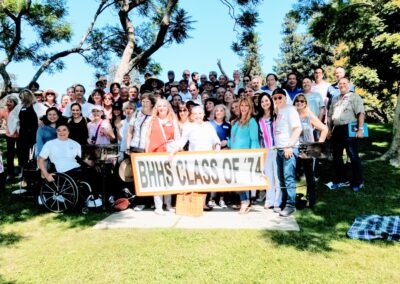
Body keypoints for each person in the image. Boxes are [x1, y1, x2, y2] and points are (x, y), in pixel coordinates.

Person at [175, 106, 221, 211]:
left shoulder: (209, 125)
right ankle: (195, 204)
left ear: (204, 114)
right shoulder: (189, 127)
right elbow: (182, 141)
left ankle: (204, 203)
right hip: (194, 160)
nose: (198, 116)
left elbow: (215, 138)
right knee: (196, 182)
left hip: (208, 159)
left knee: (206, 182)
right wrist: (175, 150)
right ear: (191, 116)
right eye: (195, 114)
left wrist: (217, 146)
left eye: (200, 113)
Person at [38, 121, 100, 199]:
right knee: (88, 175)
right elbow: (40, 160)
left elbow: (85, 160)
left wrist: (95, 164)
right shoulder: (50, 144)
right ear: (56, 132)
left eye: (64, 130)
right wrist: (46, 174)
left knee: (96, 173)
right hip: (62, 171)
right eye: (59, 130)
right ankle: (93, 198)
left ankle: (97, 197)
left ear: (68, 131)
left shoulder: (75, 143)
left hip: (76, 168)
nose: (62, 132)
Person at [328, 77, 365, 191]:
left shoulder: (354, 97)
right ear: (338, 86)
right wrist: (329, 130)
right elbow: (330, 116)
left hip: (350, 128)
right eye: (340, 83)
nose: (342, 85)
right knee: (337, 156)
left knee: (353, 155)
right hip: (337, 130)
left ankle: (358, 181)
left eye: (344, 83)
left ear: (349, 85)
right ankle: (341, 179)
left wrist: (360, 129)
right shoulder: (334, 99)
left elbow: (361, 113)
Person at [145, 99, 180, 215]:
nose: (162, 108)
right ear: (156, 108)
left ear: (168, 107)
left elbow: (177, 138)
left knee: (168, 179)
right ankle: (158, 206)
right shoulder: (151, 120)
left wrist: (173, 151)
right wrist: (147, 152)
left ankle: (168, 204)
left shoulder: (173, 120)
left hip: (169, 152)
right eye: (159, 106)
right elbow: (147, 138)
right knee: (157, 180)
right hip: (155, 152)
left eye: (164, 105)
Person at [293, 94, 328, 207]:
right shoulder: (292, 116)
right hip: (295, 147)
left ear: (305, 103)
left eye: (302, 101)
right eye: (297, 101)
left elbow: (324, 129)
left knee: (309, 175)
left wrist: (318, 145)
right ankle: (291, 198)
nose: (299, 102)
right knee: (293, 173)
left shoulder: (309, 116)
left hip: (308, 147)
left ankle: (310, 199)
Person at [272, 88, 302, 217]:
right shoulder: (278, 111)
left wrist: (289, 145)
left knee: (289, 177)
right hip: (279, 149)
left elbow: (297, 128)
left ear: (285, 97)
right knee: (281, 177)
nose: (278, 100)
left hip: (288, 148)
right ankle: (284, 202)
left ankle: (291, 205)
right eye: (275, 98)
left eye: (280, 97)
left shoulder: (290, 110)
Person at [228, 97, 260, 214]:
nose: (244, 108)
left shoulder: (252, 121)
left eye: (246, 106)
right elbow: (233, 140)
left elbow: (254, 140)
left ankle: (245, 203)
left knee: (243, 180)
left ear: (250, 107)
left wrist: (252, 156)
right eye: (242, 105)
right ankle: (243, 200)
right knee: (238, 180)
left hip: (246, 156)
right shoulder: (236, 122)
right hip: (235, 155)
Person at [256, 93, 281, 211]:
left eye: (266, 101)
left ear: (270, 101)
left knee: (277, 175)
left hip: (276, 148)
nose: (265, 103)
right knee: (268, 176)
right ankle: (269, 200)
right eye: (262, 102)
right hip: (266, 150)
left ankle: (278, 201)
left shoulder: (276, 114)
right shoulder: (259, 118)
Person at [208, 104, 231, 208]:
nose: (219, 112)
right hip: (212, 152)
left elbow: (230, 138)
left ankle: (222, 199)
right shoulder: (209, 124)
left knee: (223, 175)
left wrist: (227, 142)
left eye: (221, 111)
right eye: (216, 111)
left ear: (224, 112)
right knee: (213, 175)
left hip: (224, 152)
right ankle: (211, 198)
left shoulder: (228, 125)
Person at [0, 95, 19, 179]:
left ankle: (20, 171)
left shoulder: (18, 111)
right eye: (8, 101)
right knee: (10, 153)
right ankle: (10, 173)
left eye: (11, 102)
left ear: (15, 103)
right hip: (9, 135)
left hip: (19, 135)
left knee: (20, 153)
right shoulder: (4, 111)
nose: (8, 103)